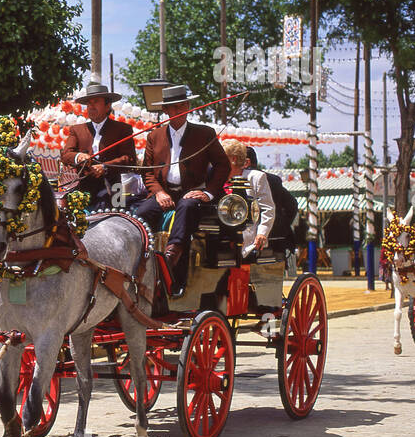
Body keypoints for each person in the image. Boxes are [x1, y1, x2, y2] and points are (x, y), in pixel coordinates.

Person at [133, 84, 231, 296]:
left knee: (186, 207)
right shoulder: (154, 136)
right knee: (139, 215)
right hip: (164, 193)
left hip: (192, 193)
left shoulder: (204, 134)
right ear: (165, 111)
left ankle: (170, 264)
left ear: (189, 107)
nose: (179, 111)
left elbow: (223, 165)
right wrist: (159, 192)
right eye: (174, 107)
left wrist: (208, 193)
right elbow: (147, 172)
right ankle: (140, 264)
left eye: (183, 106)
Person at [60, 82, 139, 211]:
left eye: (95, 102)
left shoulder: (123, 129)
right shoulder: (77, 130)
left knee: (115, 220)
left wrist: (105, 167)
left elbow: (129, 159)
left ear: (108, 106)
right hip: (84, 186)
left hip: (115, 187)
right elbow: (66, 155)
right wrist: (78, 156)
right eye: (88, 103)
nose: (91, 106)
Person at [221, 139, 275, 258]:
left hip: (249, 241)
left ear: (233, 159)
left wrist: (262, 233)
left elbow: (268, 208)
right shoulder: (217, 177)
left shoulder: (256, 177)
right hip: (222, 237)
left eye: (222, 157)